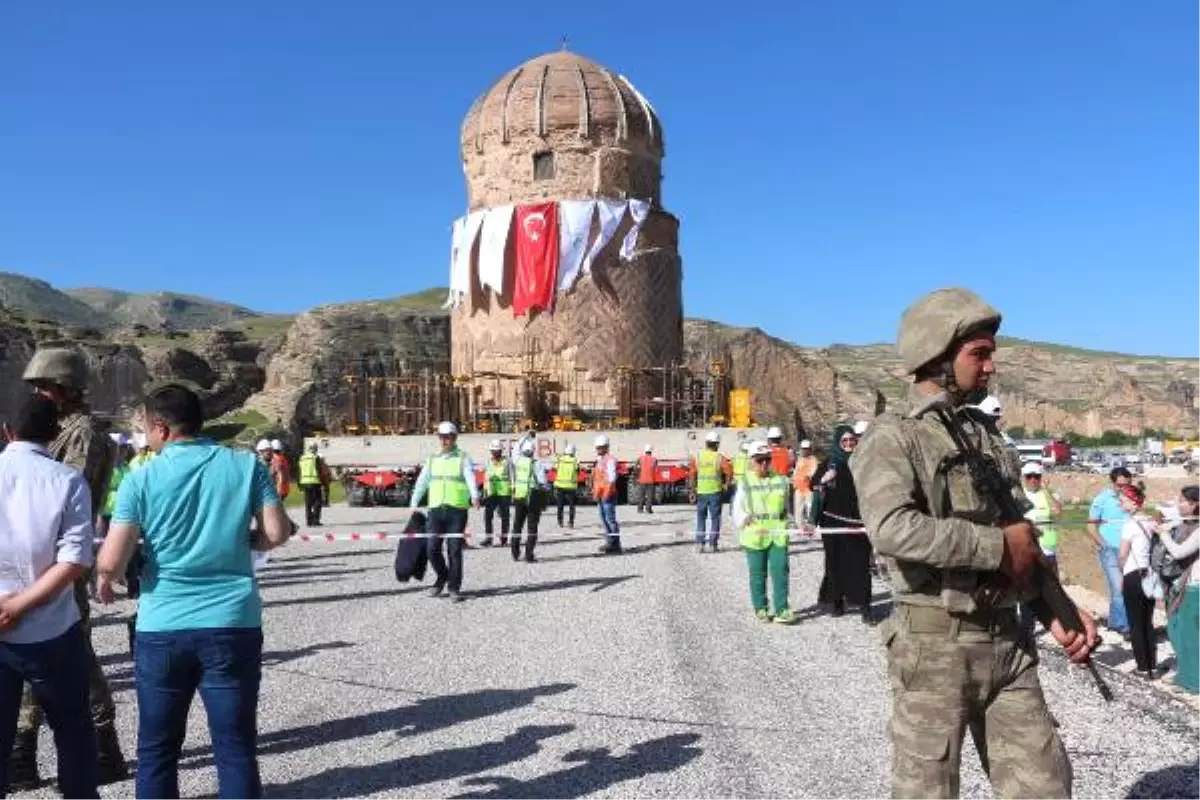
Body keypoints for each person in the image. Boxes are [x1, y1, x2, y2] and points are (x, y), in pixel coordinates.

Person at [850, 287, 1097, 800]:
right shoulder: (893, 437)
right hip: (934, 645)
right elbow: (892, 528)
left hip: (1007, 642)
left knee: (1045, 783)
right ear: (936, 355)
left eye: (991, 353)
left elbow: (1021, 535)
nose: (990, 367)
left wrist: (1058, 607)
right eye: (978, 354)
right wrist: (994, 548)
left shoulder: (983, 434)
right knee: (929, 790)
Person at [97, 383, 293, 799]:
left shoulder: (141, 478)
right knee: (236, 747)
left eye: (147, 428)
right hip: (232, 620)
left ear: (163, 428)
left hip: (162, 623)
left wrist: (107, 576)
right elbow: (277, 532)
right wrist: (250, 542)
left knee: (157, 749)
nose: (146, 437)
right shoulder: (246, 467)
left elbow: (111, 562)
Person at [13, 347, 127, 788]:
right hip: (39, 559)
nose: (39, 393)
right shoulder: (53, 430)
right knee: (44, 654)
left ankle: (102, 749)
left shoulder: (83, 434)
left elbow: (62, 497)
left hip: (60, 561)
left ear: (66, 389)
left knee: (71, 656)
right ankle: (26, 754)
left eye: (44, 386)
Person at [0, 396, 100, 799]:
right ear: (56, 435)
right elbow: (73, 561)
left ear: (7, 432)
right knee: (73, 730)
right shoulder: (67, 481)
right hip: (52, 629)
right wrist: (19, 606)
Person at [409, 421, 480, 601]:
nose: (444, 441)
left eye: (448, 437)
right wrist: (414, 501)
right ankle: (443, 576)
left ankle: (454, 588)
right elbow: (423, 481)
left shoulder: (463, 457)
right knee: (432, 549)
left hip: (456, 510)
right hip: (435, 509)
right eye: (442, 437)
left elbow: (470, 478)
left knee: (454, 550)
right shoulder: (432, 458)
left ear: (454, 438)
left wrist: (475, 496)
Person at [810, 425, 872, 622]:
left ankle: (865, 605)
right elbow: (813, 484)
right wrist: (825, 478)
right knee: (834, 563)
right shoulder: (830, 462)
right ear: (838, 442)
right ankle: (837, 601)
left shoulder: (864, 461)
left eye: (851, 440)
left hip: (858, 522)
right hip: (832, 521)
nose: (848, 444)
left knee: (861, 564)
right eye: (844, 441)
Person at [732, 441, 796, 624]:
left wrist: (793, 522)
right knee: (758, 573)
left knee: (780, 571)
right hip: (755, 535)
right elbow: (737, 509)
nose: (764, 464)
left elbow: (786, 507)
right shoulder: (745, 482)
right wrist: (744, 519)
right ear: (752, 461)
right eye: (760, 461)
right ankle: (761, 608)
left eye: (767, 460)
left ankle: (782, 609)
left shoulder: (781, 480)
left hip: (777, 534)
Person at [1156, 486, 1200, 692]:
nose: (1177, 503)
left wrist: (1163, 534)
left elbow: (1179, 553)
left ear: (1194, 504)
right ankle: (1186, 676)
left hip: (1193, 588)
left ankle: (1193, 682)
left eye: (1182, 501)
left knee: (1189, 635)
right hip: (1186, 585)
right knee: (1180, 632)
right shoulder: (1189, 524)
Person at [1017, 461, 1064, 635]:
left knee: (1053, 588)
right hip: (1027, 551)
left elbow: (1059, 512)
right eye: (1029, 476)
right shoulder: (1017, 495)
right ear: (1024, 478)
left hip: (1048, 549)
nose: (1033, 480)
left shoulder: (1047, 494)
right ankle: (1027, 627)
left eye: (1036, 476)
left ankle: (1055, 623)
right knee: (1027, 590)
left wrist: (1047, 491)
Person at [1117, 484, 1158, 679]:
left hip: (1133, 575)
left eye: (1123, 500)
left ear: (1134, 503)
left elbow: (1122, 554)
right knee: (1148, 622)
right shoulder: (1151, 522)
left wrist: (1119, 572)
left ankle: (1142, 668)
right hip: (1149, 575)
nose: (1120, 502)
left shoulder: (1130, 525)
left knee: (1135, 623)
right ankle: (1154, 666)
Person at [1088, 466, 1134, 635]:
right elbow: (1091, 526)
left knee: (1127, 587)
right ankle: (1125, 627)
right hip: (1111, 549)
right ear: (1112, 483)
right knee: (1118, 588)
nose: (1123, 489)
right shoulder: (1101, 499)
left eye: (1127, 485)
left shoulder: (1132, 498)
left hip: (1130, 549)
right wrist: (1103, 544)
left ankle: (1115, 621)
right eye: (1120, 485)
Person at [510, 440, 550, 562]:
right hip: (532, 498)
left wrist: (525, 437)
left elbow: (515, 449)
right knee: (532, 528)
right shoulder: (536, 464)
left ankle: (515, 553)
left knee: (517, 525)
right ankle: (529, 555)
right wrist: (547, 488)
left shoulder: (517, 461)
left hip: (519, 496)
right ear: (533, 451)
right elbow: (543, 482)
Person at [691, 432, 727, 552]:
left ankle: (699, 544)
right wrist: (726, 484)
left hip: (701, 492)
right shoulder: (719, 457)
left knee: (701, 518)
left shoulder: (698, 456)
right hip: (715, 492)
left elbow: (692, 474)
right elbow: (729, 471)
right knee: (715, 519)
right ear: (717, 444)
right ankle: (713, 545)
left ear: (706, 443)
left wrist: (692, 489)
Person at [593, 435, 621, 554]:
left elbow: (612, 478)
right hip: (600, 494)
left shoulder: (610, 460)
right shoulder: (600, 460)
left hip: (607, 494)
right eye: (597, 448)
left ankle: (615, 545)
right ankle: (609, 542)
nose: (598, 450)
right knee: (604, 519)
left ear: (606, 447)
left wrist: (606, 492)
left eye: (600, 448)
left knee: (610, 520)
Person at [482, 440, 512, 547]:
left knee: (505, 516)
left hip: (504, 493)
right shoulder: (488, 461)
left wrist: (513, 490)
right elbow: (486, 476)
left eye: (496, 451)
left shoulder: (507, 461)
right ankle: (488, 538)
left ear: (500, 451)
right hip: (491, 492)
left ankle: (504, 538)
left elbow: (512, 476)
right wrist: (485, 491)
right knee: (487, 515)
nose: (494, 453)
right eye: (493, 451)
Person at [297, 442, 331, 527]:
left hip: (304, 481)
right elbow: (319, 471)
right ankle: (315, 520)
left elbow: (299, 472)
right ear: (315, 449)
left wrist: (299, 484)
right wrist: (323, 482)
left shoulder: (302, 458)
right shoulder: (315, 457)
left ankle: (308, 521)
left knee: (308, 502)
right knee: (318, 501)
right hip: (315, 481)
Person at [792, 439, 818, 524]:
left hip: (808, 489)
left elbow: (813, 472)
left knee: (810, 508)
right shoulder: (800, 460)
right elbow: (796, 471)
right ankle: (799, 526)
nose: (804, 450)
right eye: (803, 449)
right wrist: (794, 482)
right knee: (798, 509)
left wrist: (808, 476)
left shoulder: (813, 460)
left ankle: (812, 525)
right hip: (799, 488)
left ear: (810, 449)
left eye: (806, 449)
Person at [554, 444, 579, 529]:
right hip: (571, 486)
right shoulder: (575, 460)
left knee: (560, 505)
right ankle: (571, 523)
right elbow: (577, 471)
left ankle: (560, 522)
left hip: (560, 485)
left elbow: (555, 468)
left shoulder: (560, 459)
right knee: (572, 506)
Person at [636, 445, 657, 514]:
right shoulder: (654, 459)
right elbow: (655, 468)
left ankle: (640, 509)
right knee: (650, 496)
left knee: (641, 495)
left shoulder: (640, 458)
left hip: (642, 479)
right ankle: (648, 510)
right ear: (651, 451)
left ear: (645, 450)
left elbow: (636, 468)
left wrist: (637, 476)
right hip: (651, 480)